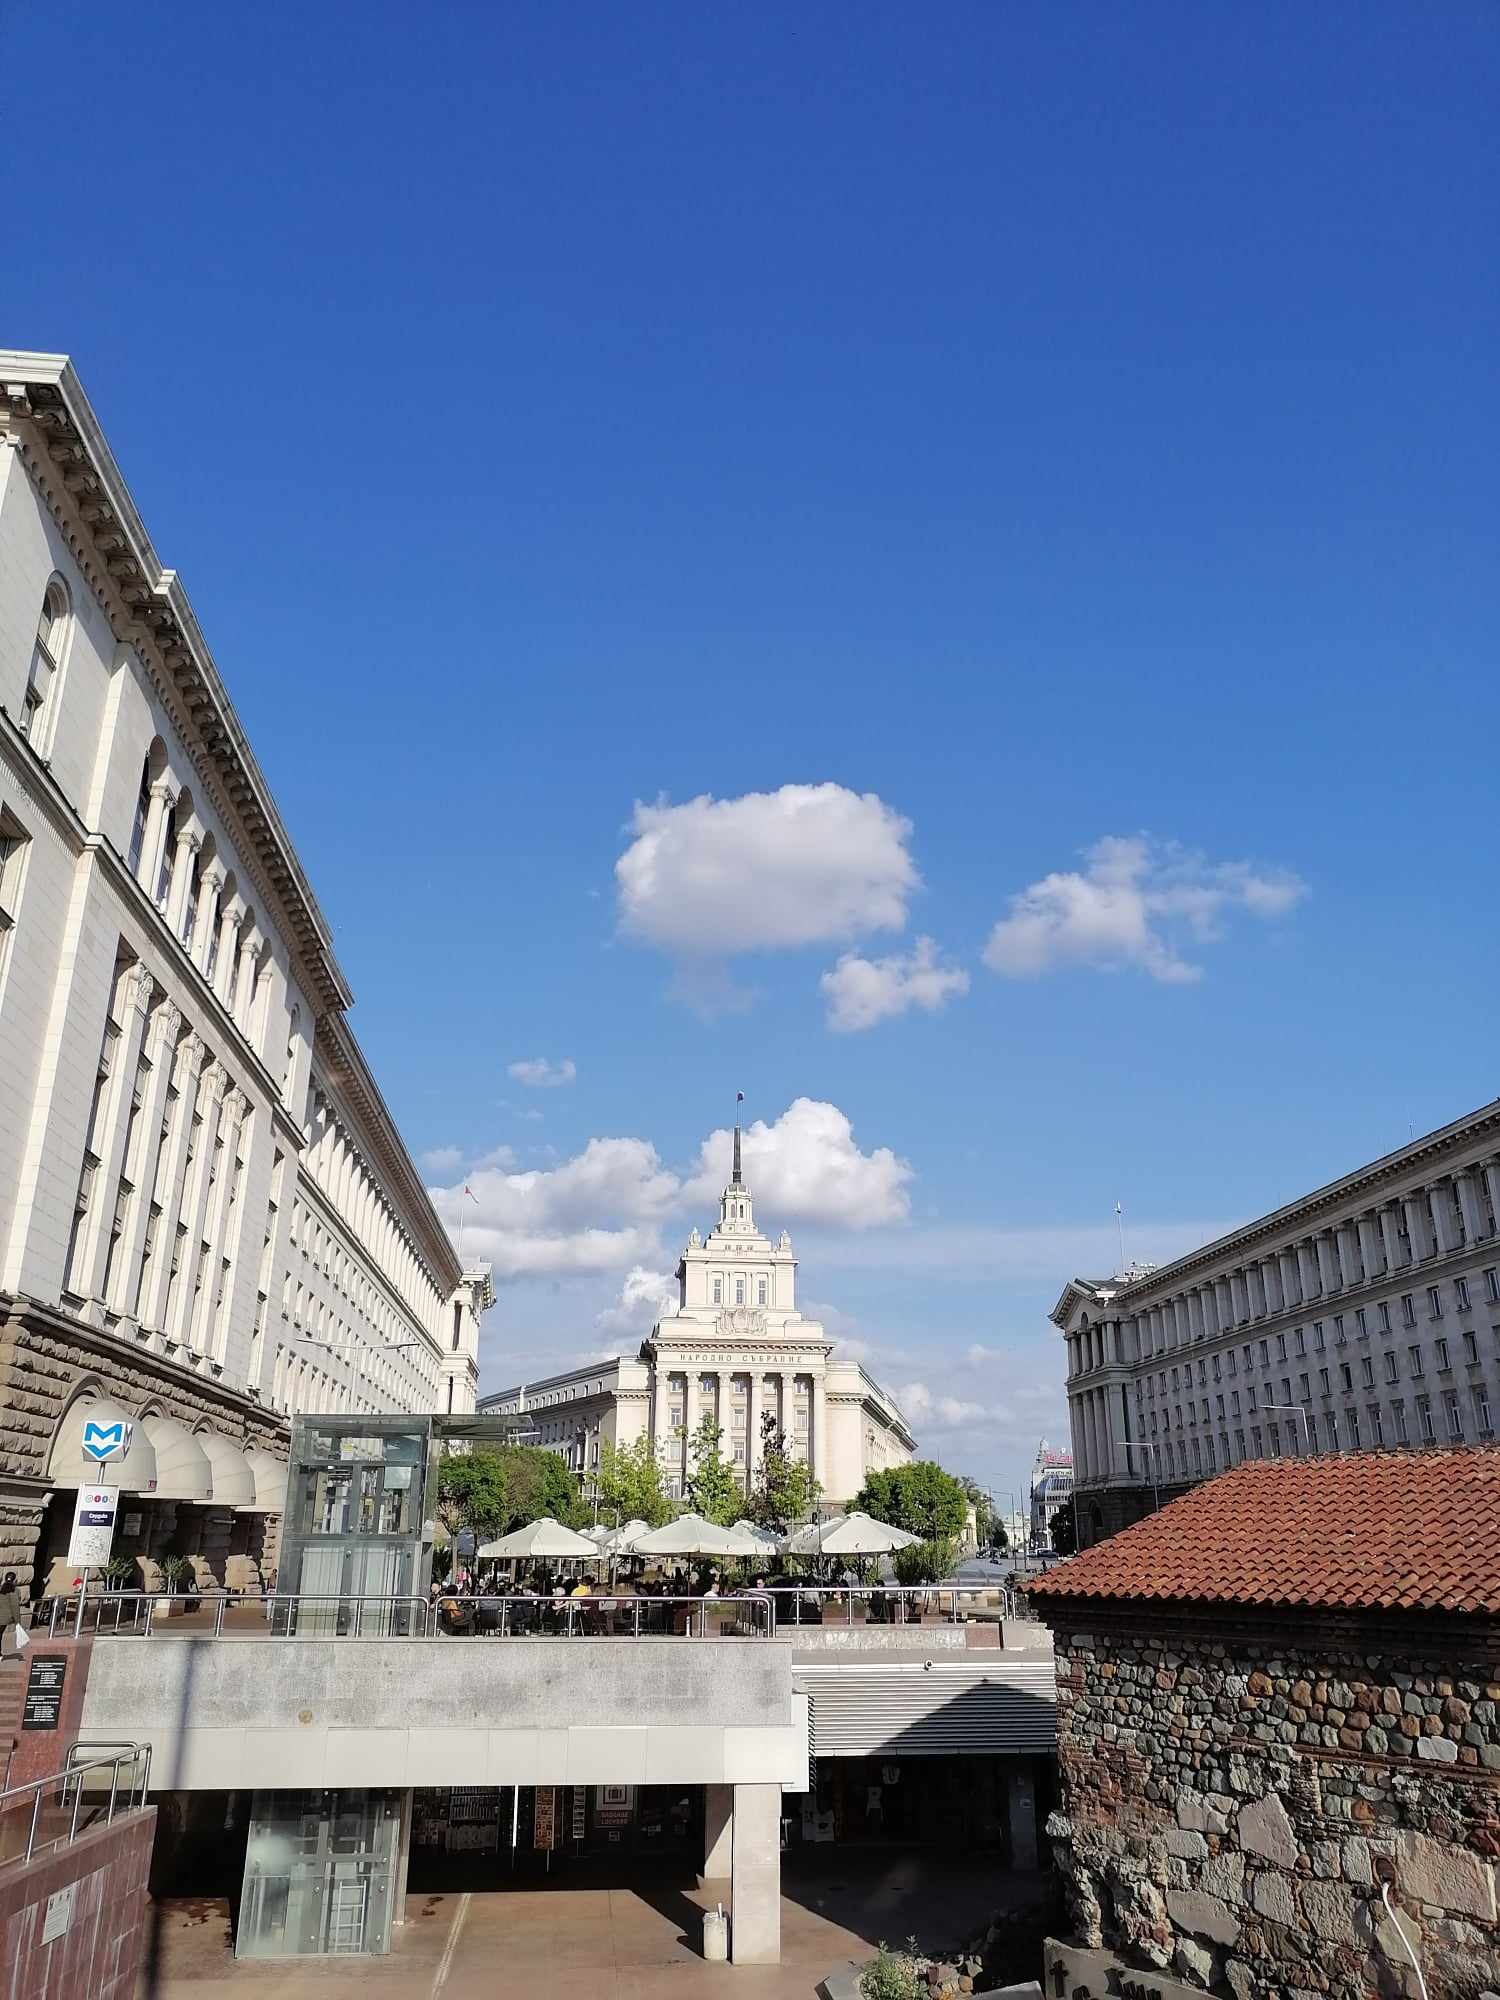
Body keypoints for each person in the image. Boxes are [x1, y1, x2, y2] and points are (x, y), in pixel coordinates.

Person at [0, 1571, 24, 1660]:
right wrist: (18, 1622)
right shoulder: (15, 1590)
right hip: (4, 1617)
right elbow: (15, 1607)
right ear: (15, 1580)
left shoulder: (1, 1588)